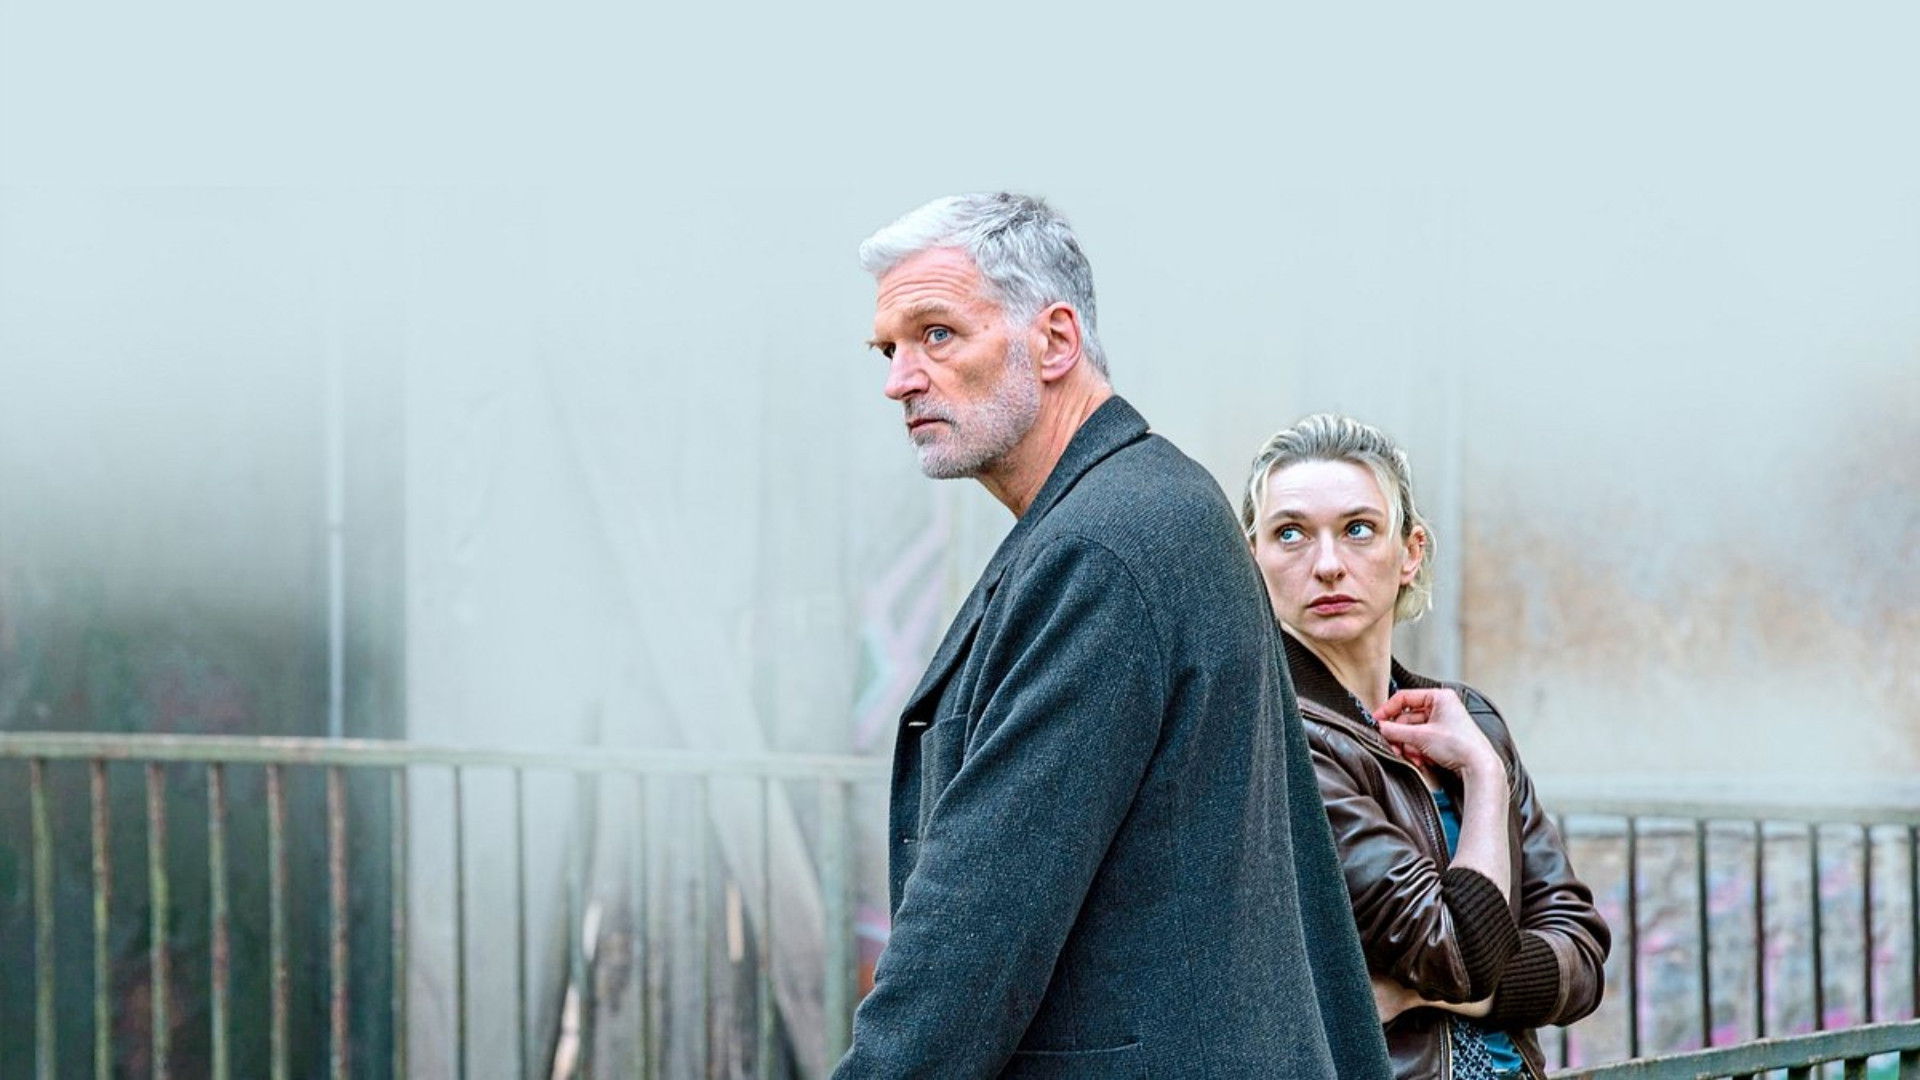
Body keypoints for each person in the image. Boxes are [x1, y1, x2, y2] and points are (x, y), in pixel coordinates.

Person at [834, 194, 1391, 1079]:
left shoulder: (1106, 543)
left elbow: (981, 922)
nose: (900, 379)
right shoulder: (1152, 506)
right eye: (888, 349)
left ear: (1056, 340)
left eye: (937, 334)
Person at [1241, 414, 1610, 1080]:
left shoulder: (1469, 722)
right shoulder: (1277, 737)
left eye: (1358, 529)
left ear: (1410, 552)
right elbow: (1460, 955)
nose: (1327, 565)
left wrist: (1424, 992)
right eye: (1290, 533)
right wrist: (1489, 783)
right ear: (1253, 559)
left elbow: (1581, 954)